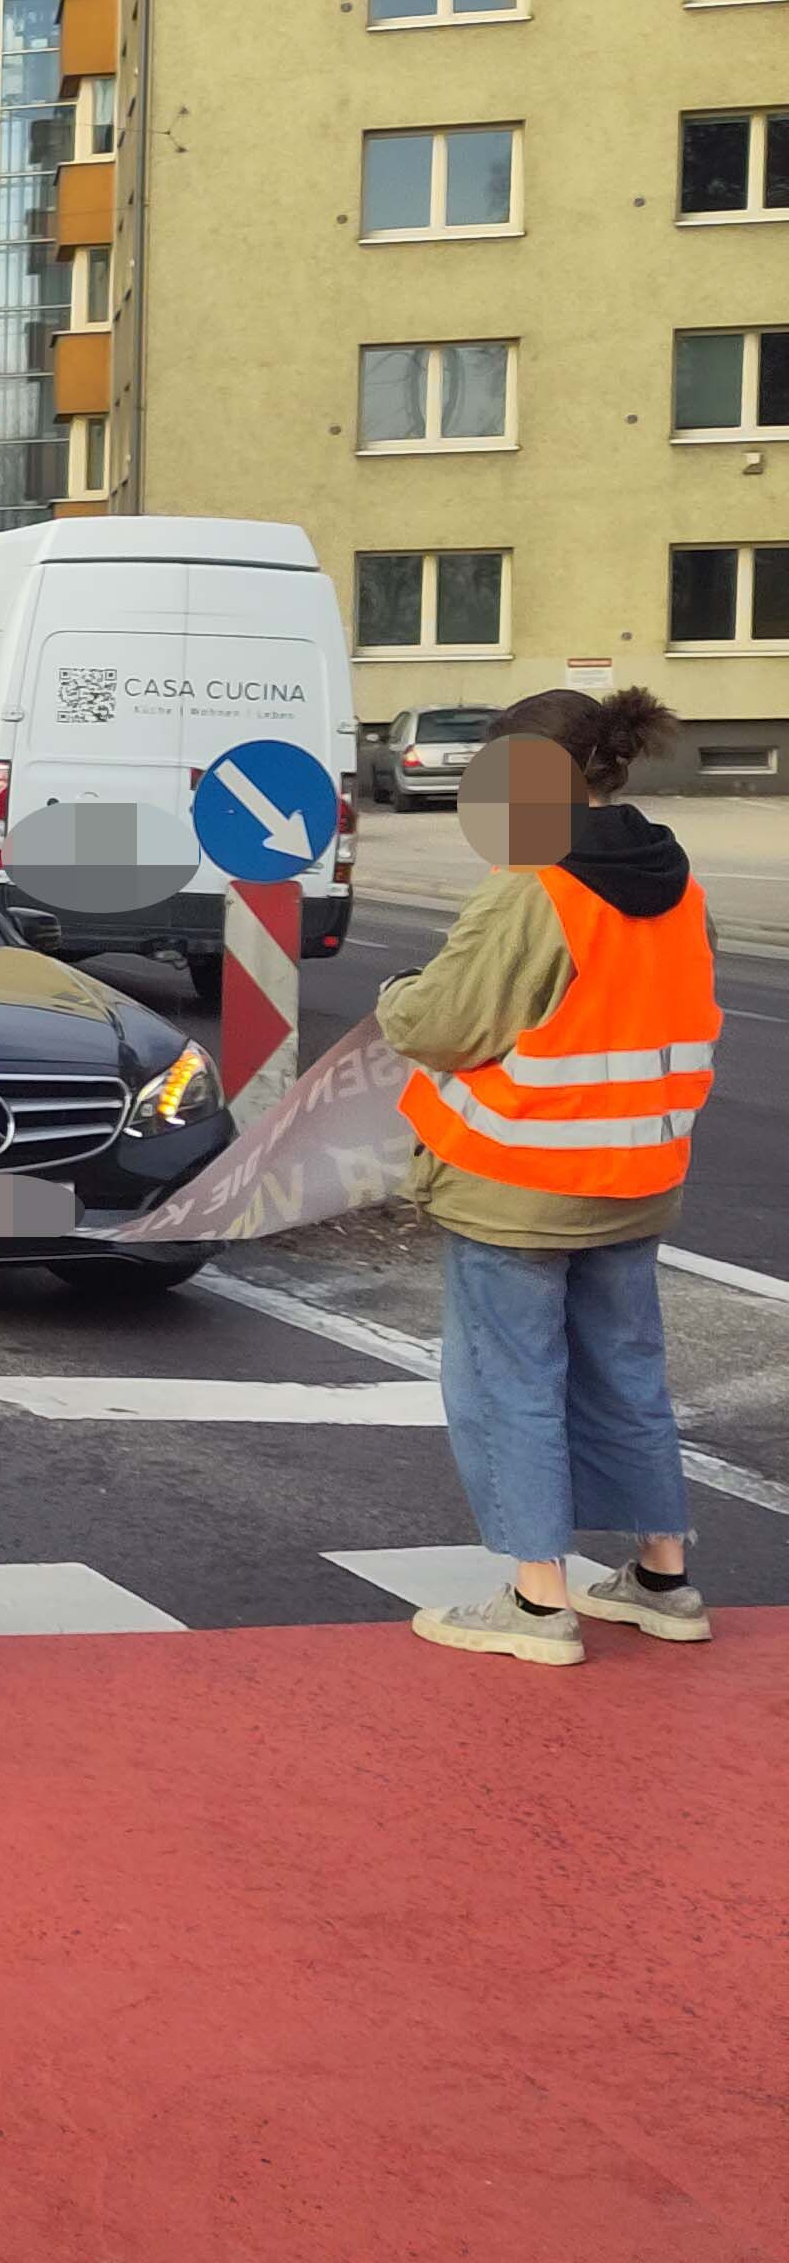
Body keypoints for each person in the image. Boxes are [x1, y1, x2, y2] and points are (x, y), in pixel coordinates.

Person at [376, 687, 714, 1667]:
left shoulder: (535, 885)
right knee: (628, 1371)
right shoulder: (672, 880)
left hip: (518, 1182)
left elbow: (443, 1023)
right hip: (636, 1172)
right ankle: (660, 1579)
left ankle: (534, 1603)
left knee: (512, 1381)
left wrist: (398, 997)